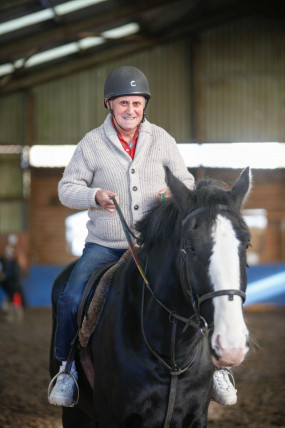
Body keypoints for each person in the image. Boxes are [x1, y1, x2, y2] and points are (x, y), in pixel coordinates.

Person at [48, 66, 237, 407]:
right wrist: (94, 196)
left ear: (143, 105)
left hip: (155, 247)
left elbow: (189, 185)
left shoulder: (162, 139)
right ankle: (67, 369)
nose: (130, 110)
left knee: (201, 287)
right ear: (109, 104)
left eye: (136, 103)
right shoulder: (91, 144)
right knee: (72, 294)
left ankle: (216, 368)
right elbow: (66, 189)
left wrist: (173, 195)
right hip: (106, 245)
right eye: (123, 103)